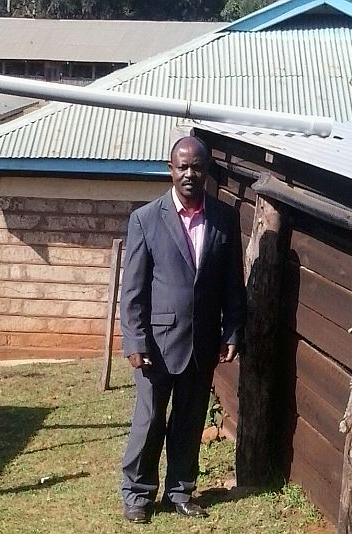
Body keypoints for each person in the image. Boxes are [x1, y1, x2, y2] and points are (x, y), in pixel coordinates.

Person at [119, 135, 247, 523]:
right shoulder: (145, 218)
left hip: (202, 341)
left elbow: (232, 283)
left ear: (207, 171)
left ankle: (180, 490)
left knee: (190, 420)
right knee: (151, 419)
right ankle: (138, 495)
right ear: (171, 169)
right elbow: (134, 289)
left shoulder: (224, 219)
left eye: (197, 167)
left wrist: (232, 330)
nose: (190, 174)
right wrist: (135, 340)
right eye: (182, 166)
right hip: (156, 344)